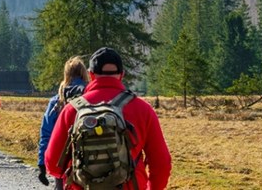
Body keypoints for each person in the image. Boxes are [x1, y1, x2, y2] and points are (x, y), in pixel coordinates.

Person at [45, 48, 172, 190]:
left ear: (91, 75)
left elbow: (52, 164)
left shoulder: (72, 109)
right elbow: (162, 164)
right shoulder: (143, 109)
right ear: (122, 75)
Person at [36, 56, 89, 189]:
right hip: (89, 156)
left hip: (62, 159)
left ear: (66, 74)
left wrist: (42, 163)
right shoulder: (91, 96)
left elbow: (46, 133)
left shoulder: (57, 100)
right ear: (84, 73)